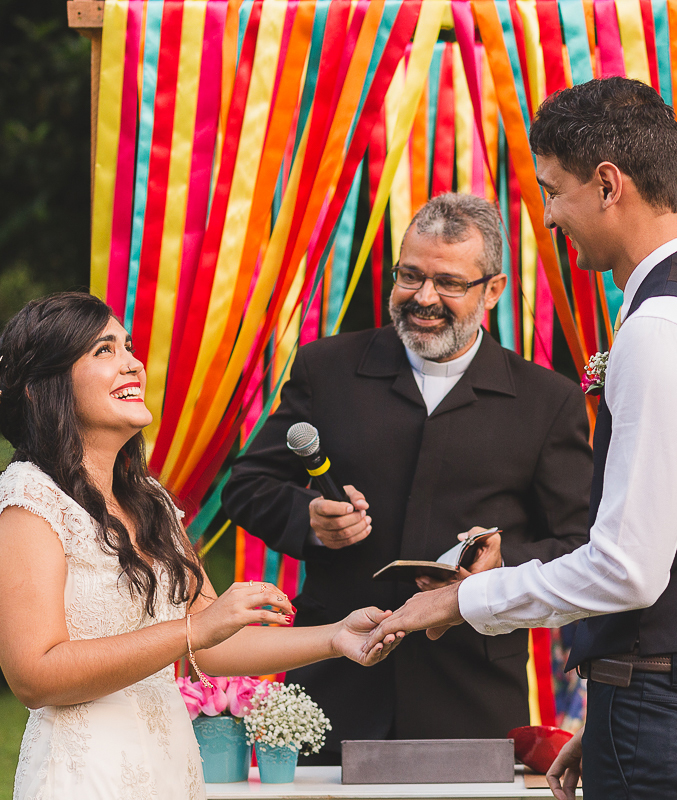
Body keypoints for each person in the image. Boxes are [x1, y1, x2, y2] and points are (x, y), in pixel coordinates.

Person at [363, 77, 677, 800]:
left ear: (609, 185)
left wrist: (466, 600)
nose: (549, 216)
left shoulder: (658, 330)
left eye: (554, 191)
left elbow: (628, 569)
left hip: (669, 703)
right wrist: (615, 706)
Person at [0, 292, 401, 800]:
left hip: (171, 766)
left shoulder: (148, 499)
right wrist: (196, 628)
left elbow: (217, 645)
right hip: (86, 775)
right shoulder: (28, 503)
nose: (132, 364)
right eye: (103, 351)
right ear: (47, 388)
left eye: (127, 346)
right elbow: (35, 676)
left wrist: (335, 638)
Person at [222, 193, 592, 763]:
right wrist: (310, 522)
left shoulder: (548, 402)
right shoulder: (327, 368)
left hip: (472, 694)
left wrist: (502, 564)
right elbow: (247, 485)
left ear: (493, 290)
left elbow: (579, 546)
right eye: (410, 275)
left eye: (448, 282)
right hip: (333, 685)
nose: (423, 298)